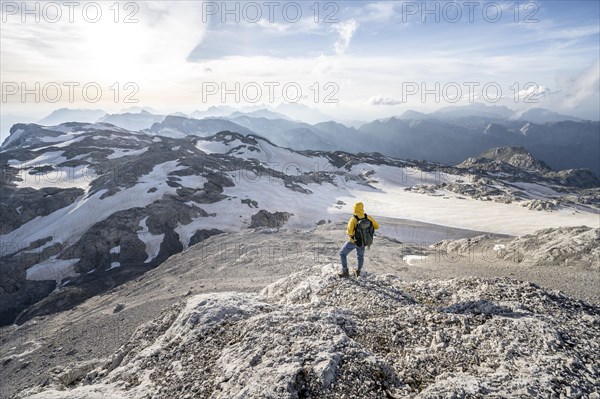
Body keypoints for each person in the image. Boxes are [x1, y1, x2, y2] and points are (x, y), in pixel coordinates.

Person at [338, 202, 380, 278]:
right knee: (360, 256)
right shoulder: (368, 217)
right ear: (362, 208)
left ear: (354, 208)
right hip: (363, 241)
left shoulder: (353, 219)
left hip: (353, 241)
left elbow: (349, 232)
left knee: (342, 253)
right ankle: (358, 271)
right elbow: (377, 226)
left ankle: (345, 271)